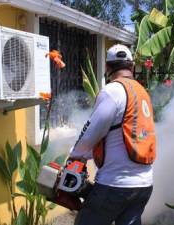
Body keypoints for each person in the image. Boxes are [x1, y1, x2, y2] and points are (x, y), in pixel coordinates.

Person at [69, 44, 156, 225]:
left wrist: (75, 157)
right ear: (131, 67)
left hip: (115, 184)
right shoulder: (143, 93)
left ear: (107, 68)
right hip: (144, 185)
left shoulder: (112, 91)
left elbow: (91, 132)